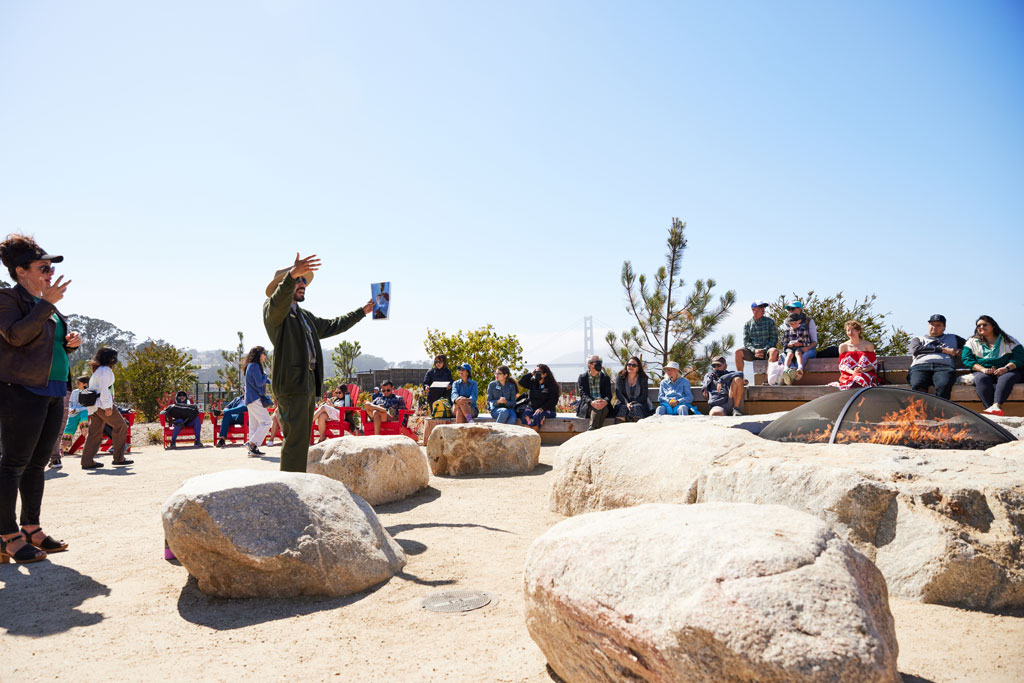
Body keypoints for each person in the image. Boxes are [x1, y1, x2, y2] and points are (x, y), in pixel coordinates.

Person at [0, 234, 79, 563]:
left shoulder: (46, 305)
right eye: (43, 267)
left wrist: (69, 343)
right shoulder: (8, 299)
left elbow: (46, 345)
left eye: (50, 267)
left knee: (36, 463)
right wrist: (47, 303)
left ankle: (31, 528)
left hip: (53, 389)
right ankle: (6, 535)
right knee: (13, 465)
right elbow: (15, 336)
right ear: (21, 271)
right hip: (22, 391)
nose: (49, 272)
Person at [263, 253, 373, 472]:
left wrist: (362, 312)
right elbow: (277, 303)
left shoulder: (305, 316)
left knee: (303, 439)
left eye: (304, 280)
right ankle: (291, 488)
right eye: (298, 280)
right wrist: (291, 275)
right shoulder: (274, 312)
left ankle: (297, 481)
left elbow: (333, 325)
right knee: (294, 439)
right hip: (291, 384)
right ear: (284, 285)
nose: (303, 284)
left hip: (306, 384)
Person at [962, 315, 1024, 416]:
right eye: (978, 326)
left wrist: (1006, 368)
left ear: (993, 326)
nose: (981, 327)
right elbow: (967, 359)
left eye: (984, 324)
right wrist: (983, 369)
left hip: (1007, 370)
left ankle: (996, 406)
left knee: (1006, 378)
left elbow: (1020, 357)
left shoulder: (1008, 340)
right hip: (983, 372)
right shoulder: (972, 342)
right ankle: (990, 409)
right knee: (981, 379)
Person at [81, 346, 132, 468]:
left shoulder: (98, 370)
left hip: (94, 406)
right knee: (120, 426)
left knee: (95, 432)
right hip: (102, 404)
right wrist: (108, 407)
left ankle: (87, 461)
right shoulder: (105, 371)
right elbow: (104, 390)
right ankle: (119, 458)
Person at [908, 314, 964, 400]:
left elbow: (971, 347)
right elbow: (915, 350)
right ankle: (921, 411)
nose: (934, 327)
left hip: (944, 368)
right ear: (928, 325)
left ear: (944, 327)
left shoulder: (954, 338)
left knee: (944, 385)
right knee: (918, 385)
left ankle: (940, 412)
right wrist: (943, 350)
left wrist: (960, 352)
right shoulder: (918, 339)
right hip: (920, 367)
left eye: (938, 325)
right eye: (932, 324)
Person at [244, 346, 273, 456]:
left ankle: (253, 450)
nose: (265, 355)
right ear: (259, 354)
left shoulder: (250, 366)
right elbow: (259, 382)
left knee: (254, 426)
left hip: (250, 399)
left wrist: (267, 380)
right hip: (255, 399)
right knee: (267, 422)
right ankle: (251, 443)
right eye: (264, 353)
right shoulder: (255, 366)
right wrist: (265, 376)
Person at [56, 375, 91, 466]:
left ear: (85, 384)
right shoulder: (75, 392)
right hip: (74, 413)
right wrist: (71, 409)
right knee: (68, 430)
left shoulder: (89, 392)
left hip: (83, 411)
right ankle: (62, 447)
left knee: (84, 411)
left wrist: (78, 409)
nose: (77, 384)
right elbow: (71, 403)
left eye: (79, 383)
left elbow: (87, 406)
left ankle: (84, 428)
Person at [735, 301, 779, 372]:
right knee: (738, 352)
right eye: (760, 307)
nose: (763, 309)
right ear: (753, 310)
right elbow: (746, 342)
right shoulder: (747, 324)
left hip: (767, 351)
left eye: (763, 307)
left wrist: (764, 349)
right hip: (753, 352)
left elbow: (774, 339)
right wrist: (754, 350)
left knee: (774, 351)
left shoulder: (770, 322)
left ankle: (767, 380)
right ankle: (740, 379)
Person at [837, 320, 879, 390]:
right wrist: (853, 372)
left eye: (853, 330)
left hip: (866, 373)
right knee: (854, 379)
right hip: (849, 375)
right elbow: (842, 366)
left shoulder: (868, 345)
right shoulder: (843, 346)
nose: (850, 333)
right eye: (848, 330)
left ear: (859, 331)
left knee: (859, 377)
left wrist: (862, 370)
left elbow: (873, 365)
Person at [576, 355, 613, 430]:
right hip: (588, 405)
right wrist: (591, 402)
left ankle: (592, 429)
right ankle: (594, 429)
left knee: (603, 408)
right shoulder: (582, 378)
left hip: (603, 404)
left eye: (600, 362)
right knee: (599, 408)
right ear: (589, 364)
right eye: (597, 362)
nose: (599, 364)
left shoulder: (605, 377)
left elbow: (608, 394)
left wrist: (605, 401)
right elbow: (583, 394)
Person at [518, 364, 560, 429]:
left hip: (547, 409)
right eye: (535, 372)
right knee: (526, 414)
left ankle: (534, 436)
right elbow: (521, 382)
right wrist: (531, 374)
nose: (536, 374)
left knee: (537, 415)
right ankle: (528, 437)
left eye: (538, 372)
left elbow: (553, 401)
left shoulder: (552, 385)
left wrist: (542, 408)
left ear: (544, 374)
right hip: (533, 408)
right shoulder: (533, 382)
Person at [782, 301, 818, 374]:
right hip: (792, 349)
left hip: (807, 348)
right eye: (789, 309)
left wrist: (806, 347)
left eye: (792, 308)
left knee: (803, 355)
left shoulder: (809, 321)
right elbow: (785, 340)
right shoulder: (787, 322)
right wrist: (789, 345)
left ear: (800, 309)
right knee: (783, 355)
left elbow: (814, 341)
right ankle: (790, 371)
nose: (790, 311)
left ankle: (795, 373)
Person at [614, 356, 652, 423]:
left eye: (634, 365)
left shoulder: (643, 378)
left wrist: (632, 403)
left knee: (635, 408)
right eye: (629, 364)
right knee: (623, 408)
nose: (631, 366)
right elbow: (619, 394)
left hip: (639, 403)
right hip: (623, 403)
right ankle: (619, 431)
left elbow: (644, 395)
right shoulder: (620, 377)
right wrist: (627, 403)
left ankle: (637, 431)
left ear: (638, 368)